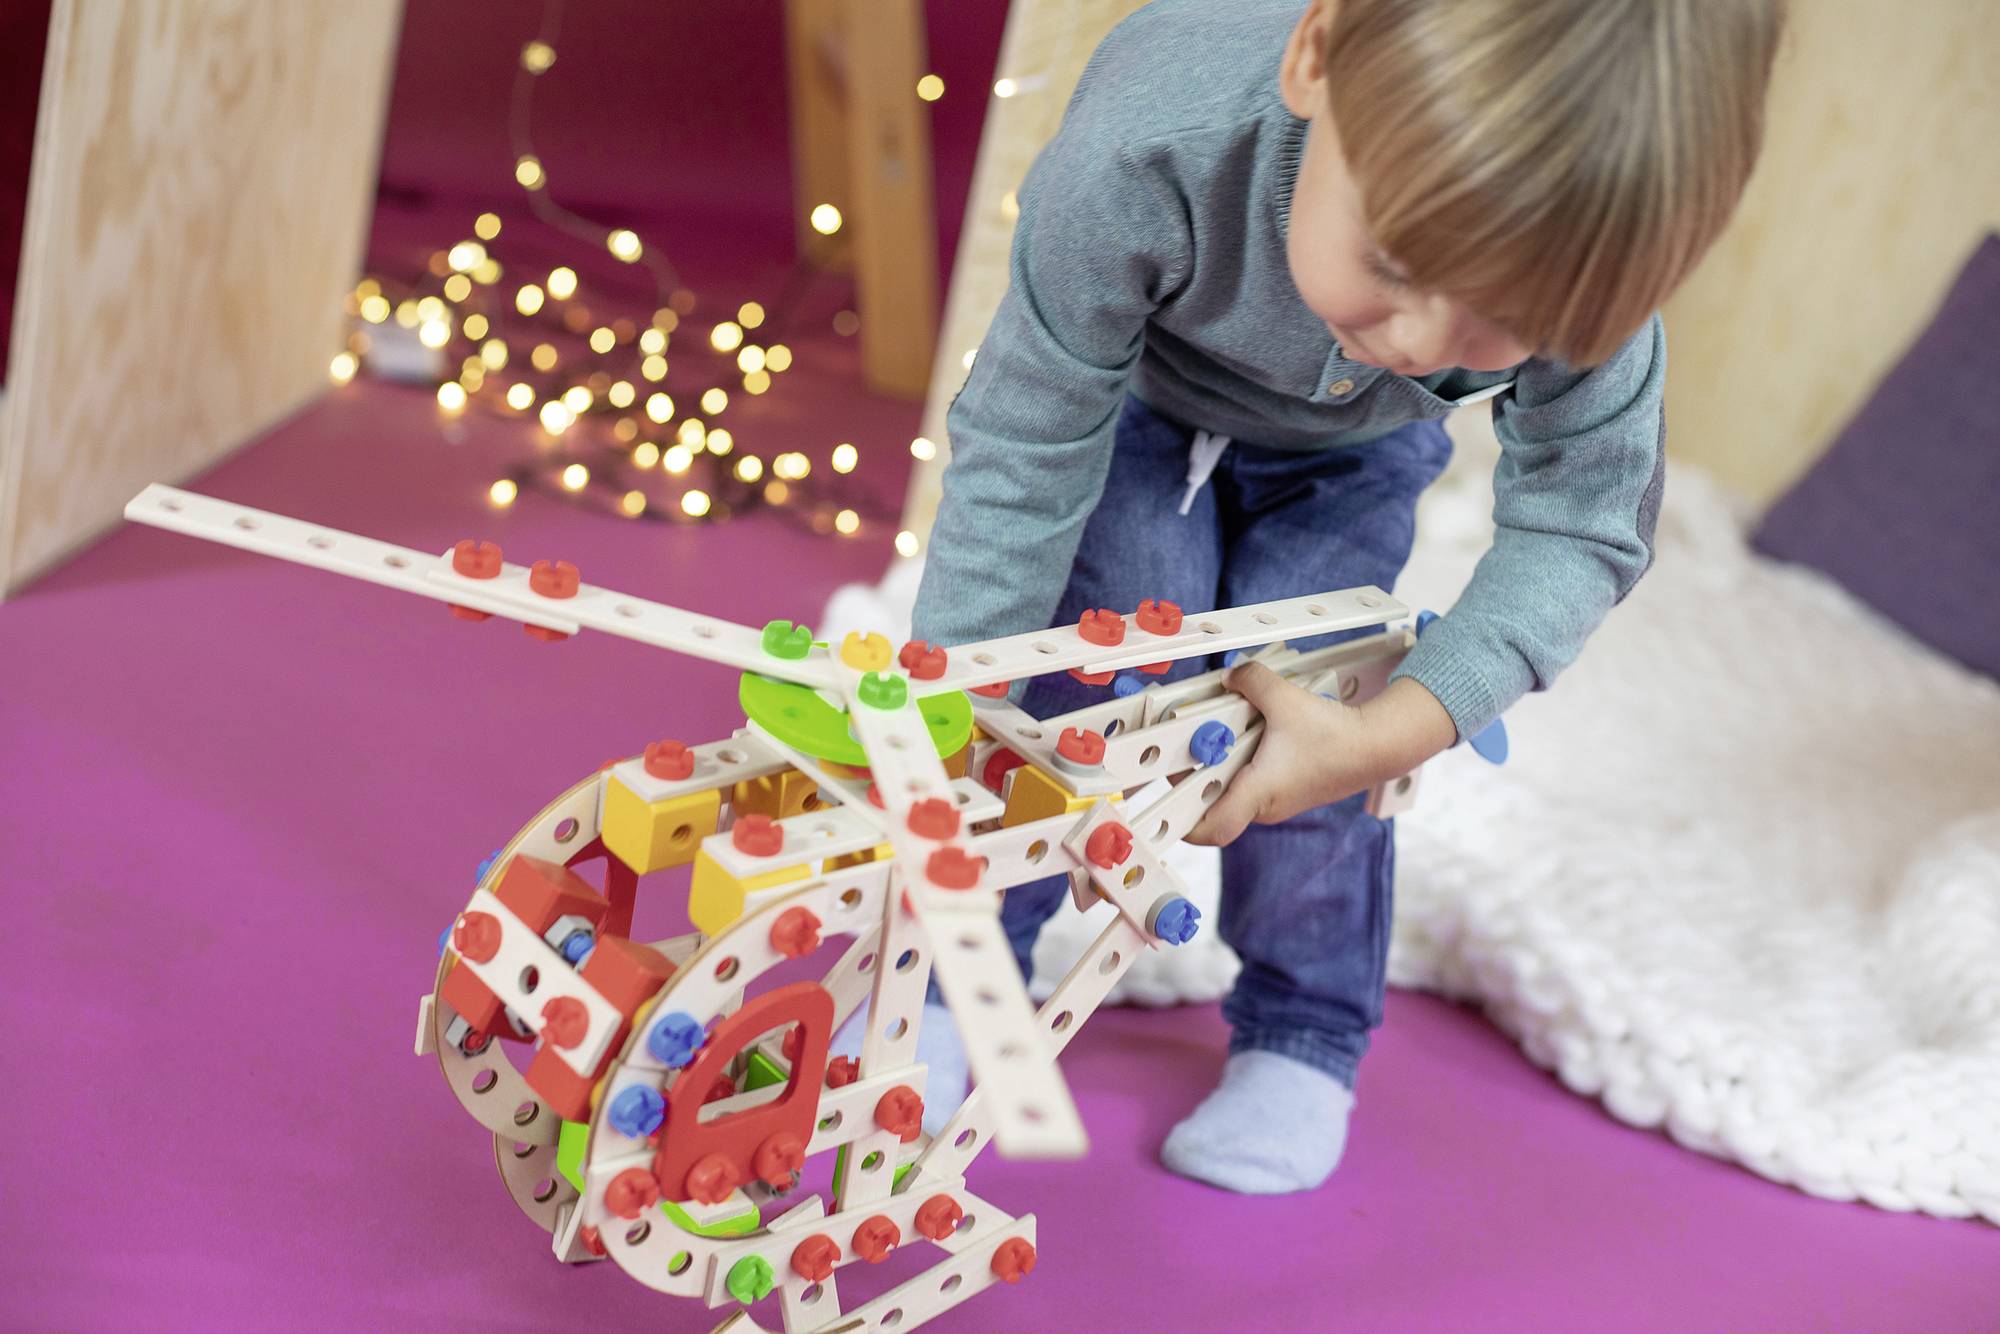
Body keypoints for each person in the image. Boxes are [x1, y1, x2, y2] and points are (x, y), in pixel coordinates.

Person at [910, 0, 1783, 1193]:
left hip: (1352, 460)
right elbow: (1022, 448)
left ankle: (1301, 1033)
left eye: (1503, 327)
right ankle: (960, 977)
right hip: (1131, 410)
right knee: (1089, 677)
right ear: (1313, 57)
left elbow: (1580, 523)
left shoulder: (1594, 259)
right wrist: (956, 694)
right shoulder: (1144, 142)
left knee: (1316, 718)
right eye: (1394, 265)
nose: (1422, 341)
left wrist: (1394, 725)